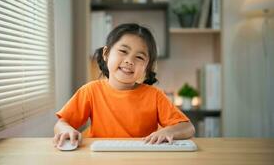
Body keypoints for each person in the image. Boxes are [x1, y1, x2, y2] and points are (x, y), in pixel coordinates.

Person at [53, 23, 195, 148]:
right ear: (106, 53)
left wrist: (168, 131)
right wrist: (66, 130)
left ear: (147, 66)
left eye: (139, 57)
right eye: (123, 51)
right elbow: (61, 123)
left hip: (140, 158)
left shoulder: (155, 95)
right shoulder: (90, 91)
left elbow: (188, 127)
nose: (129, 61)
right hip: (100, 158)